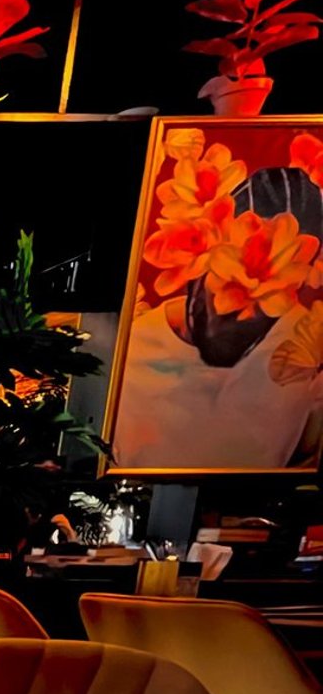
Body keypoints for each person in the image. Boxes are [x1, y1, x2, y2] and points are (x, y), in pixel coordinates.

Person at [114, 157, 323, 470]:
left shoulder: (306, 356)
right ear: (208, 251)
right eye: (234, 277)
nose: (244, 310)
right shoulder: (128, 346)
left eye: (272, 292)